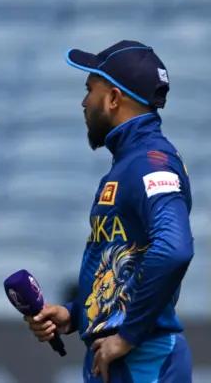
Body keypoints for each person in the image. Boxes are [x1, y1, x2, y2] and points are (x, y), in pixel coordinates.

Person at [24, 41, 194, 383]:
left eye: (90, 89)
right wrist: (75, 315)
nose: (84, 102)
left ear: (114, 98)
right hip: (125, 360)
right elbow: (121, 261)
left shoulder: (150, 163)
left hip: (144, 359)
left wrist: (127, 335)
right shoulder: (131, 162)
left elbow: (175, 249)